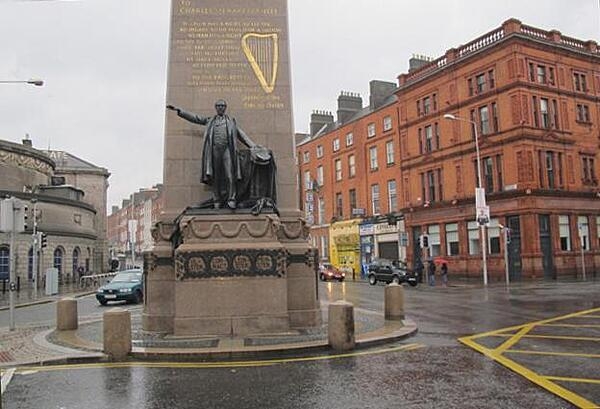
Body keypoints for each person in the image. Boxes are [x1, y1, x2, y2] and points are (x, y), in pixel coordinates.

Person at [166, 100, 257, 209]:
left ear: (225, 107)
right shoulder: (210, 121)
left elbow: (241, 135)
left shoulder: (231, 122)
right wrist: (180, 111)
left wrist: (253, 146)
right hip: (214, 150)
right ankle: (216, 200)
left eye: (222, 106)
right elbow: (196, 118)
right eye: (218, 106)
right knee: (215, 177)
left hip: (227, 150)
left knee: (230, 175)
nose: (220, 108)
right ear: (215, 107)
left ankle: (231, 199)